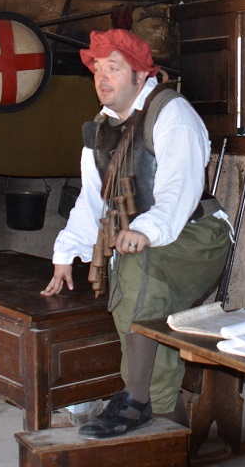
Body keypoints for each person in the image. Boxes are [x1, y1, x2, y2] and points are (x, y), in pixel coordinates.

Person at [41, 28, 231, 439]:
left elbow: (180, 189)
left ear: (141, 74)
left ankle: (137, 399)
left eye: (114, 68)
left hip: (198, 235)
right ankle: (164, 422)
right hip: (147, 241)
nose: (102, 77)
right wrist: (66, 251)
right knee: (138, 288)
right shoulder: (100, 128)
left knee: (136, 269)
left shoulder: (172, 113)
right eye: (97, 69)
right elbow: (93, 200)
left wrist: (146, 228)